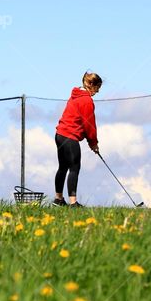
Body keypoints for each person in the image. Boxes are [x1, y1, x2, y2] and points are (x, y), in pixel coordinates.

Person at [53, 71, 102, 207]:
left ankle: (58, 199)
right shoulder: (87, 100)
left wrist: (91, 141)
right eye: (97, 88)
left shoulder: (75, 95)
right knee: (74, 167)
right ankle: (73, 203)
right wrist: (93, 142)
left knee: (63, 167)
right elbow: (89, 124)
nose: (97, 92)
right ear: (91, 85)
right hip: (70, 136)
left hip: (60, 134)